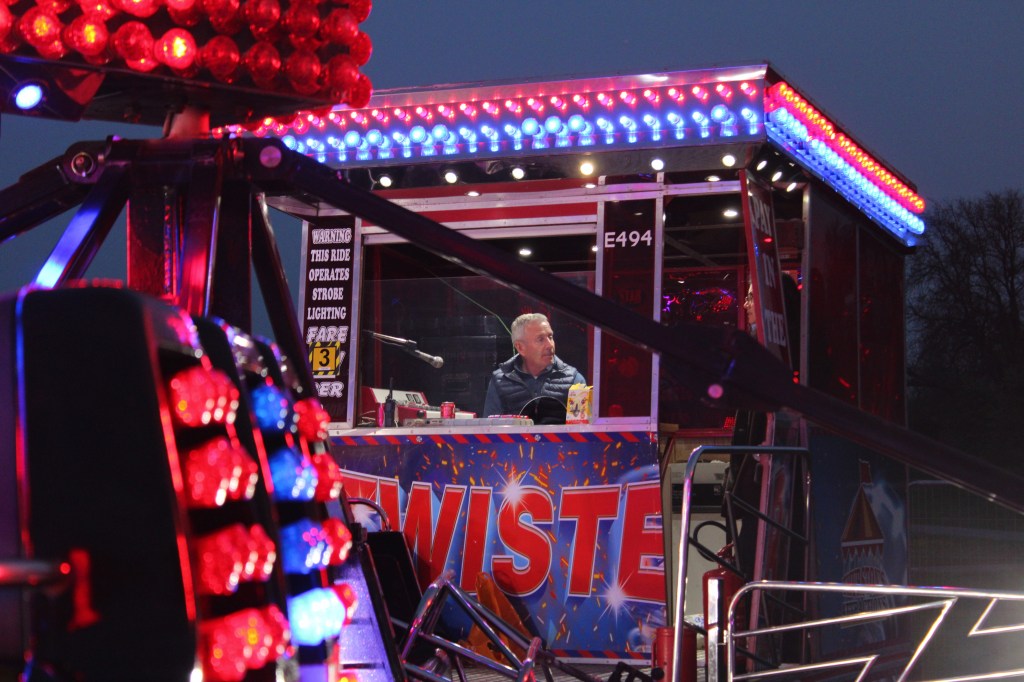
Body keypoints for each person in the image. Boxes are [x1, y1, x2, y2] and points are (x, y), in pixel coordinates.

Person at [483, 313, 585, 419]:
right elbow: (490, 430)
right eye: (540, 339)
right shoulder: (499, 381)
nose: (550, 345)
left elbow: (582, 429)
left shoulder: (575, 380)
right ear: (520, 347)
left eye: (550, 337)